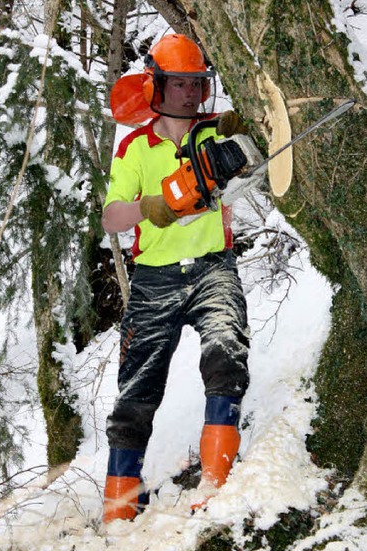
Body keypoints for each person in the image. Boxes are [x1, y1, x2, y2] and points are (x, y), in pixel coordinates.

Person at [101, 34, 253, 523]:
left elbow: (256, 160)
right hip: (154, 277)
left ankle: (217, 477)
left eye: (198, 83)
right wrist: (153, 207)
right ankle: (121, 501)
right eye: (181, 83)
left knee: (225, 352)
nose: (191, 93)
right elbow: (111, 218)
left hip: (214, 265)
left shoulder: (214, 132)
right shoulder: (135, 146)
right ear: (158, 85)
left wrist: (241, 142)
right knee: (136, 388)